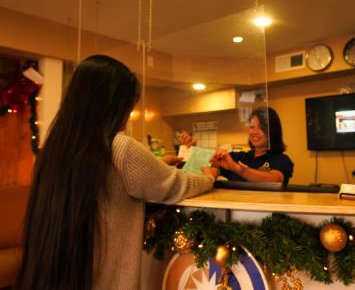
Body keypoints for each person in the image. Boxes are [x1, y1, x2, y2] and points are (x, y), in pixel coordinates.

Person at [15, 55, 214, 290]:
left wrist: (157, 162)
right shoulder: (120, 147)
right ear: (112, 104)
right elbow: (174, 184)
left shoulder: (55, 149)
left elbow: (110, 177)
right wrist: (209, 176)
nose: (128, 115)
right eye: (128, 106)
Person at [182, 107, 294, 186]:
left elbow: (275, 180)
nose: (254, 132)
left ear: (273, 131)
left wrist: (238, 169)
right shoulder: (237, 157)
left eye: (261, 127)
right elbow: (212, 167)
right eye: (251, 127)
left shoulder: (281, 160)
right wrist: (191, 151)